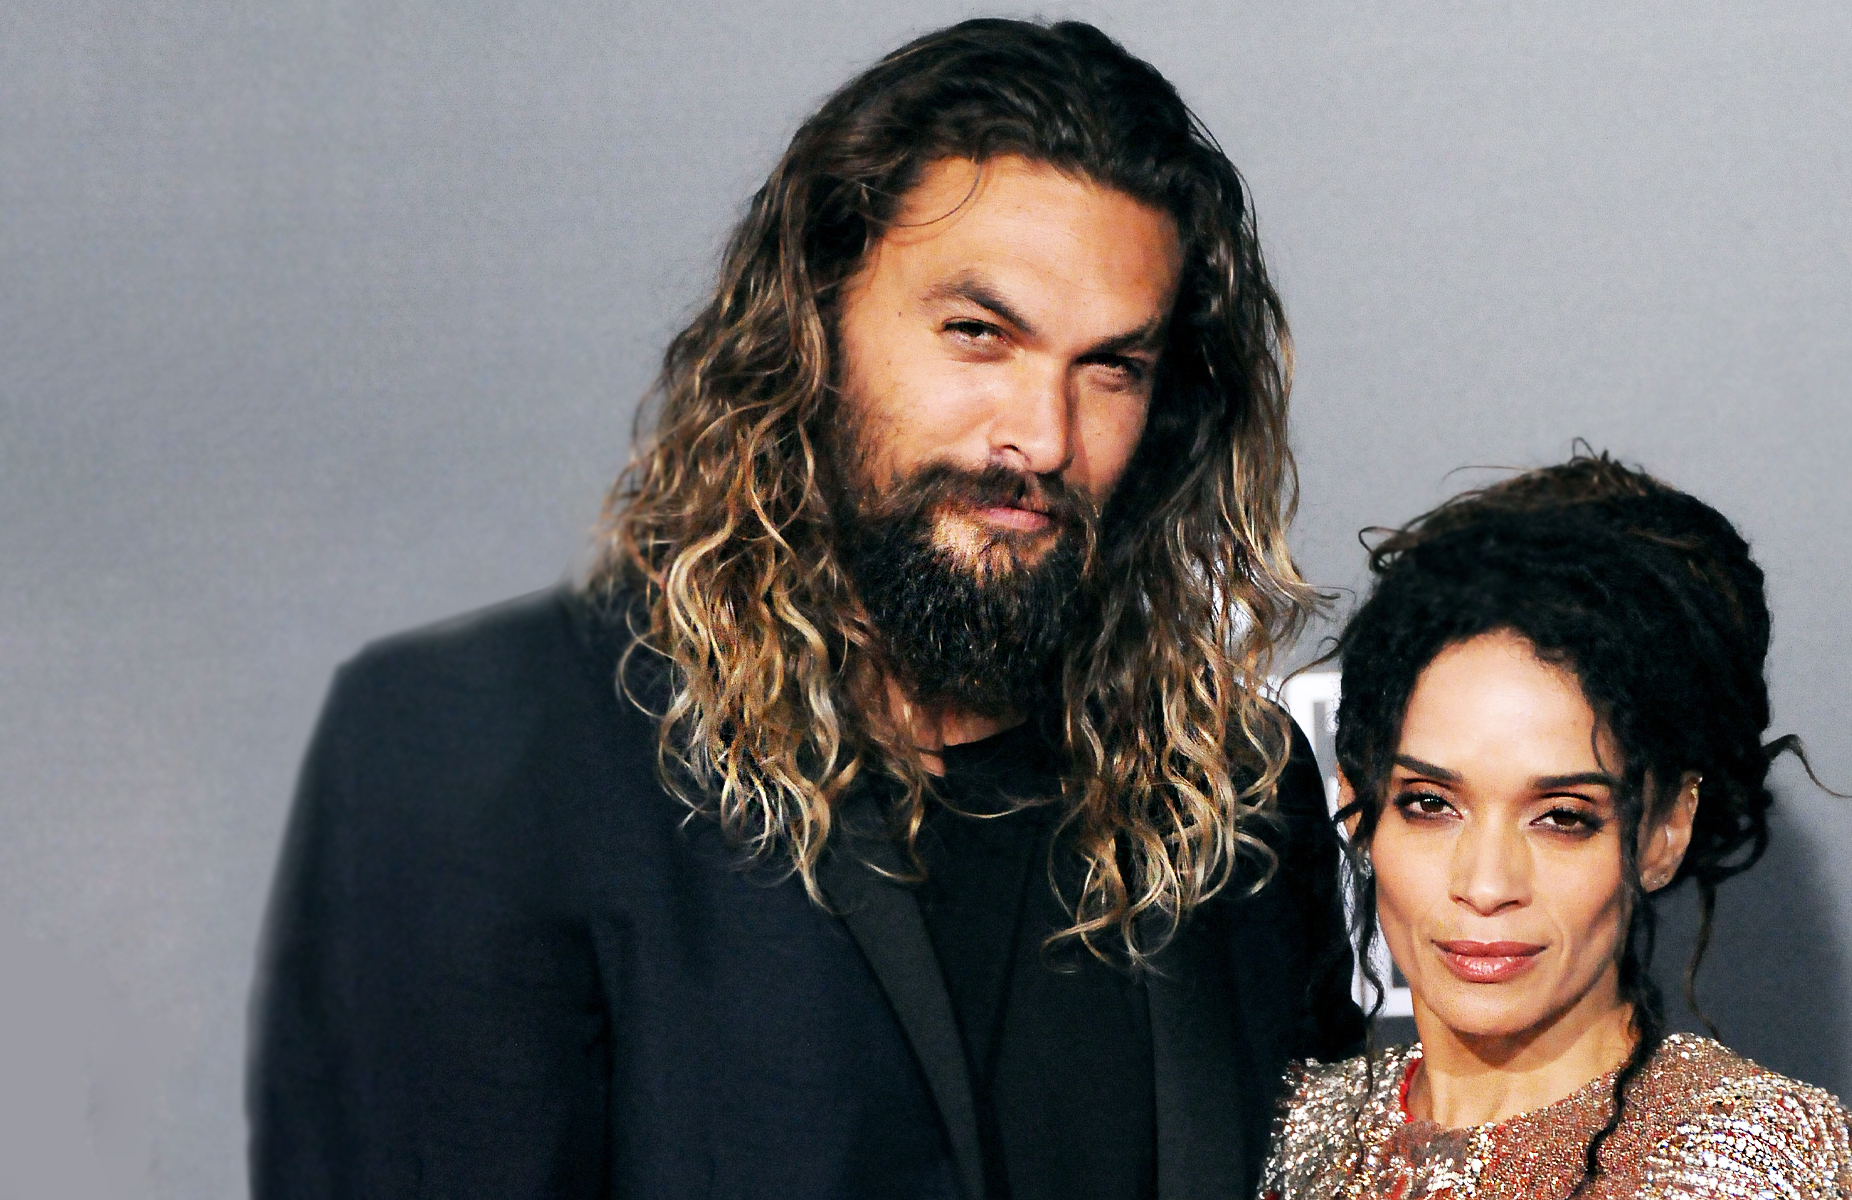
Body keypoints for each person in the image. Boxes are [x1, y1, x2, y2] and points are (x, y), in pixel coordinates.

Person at [249, 19, 1361, 1200]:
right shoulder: (501, 753)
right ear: (813, 322)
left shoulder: (1233, 797)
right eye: (978, 335)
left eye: (1112, 367)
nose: (1043, 436)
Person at [1259, 453, 1852, 1199]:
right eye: (1431, 804)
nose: (1486, 884)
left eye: (1562, 818)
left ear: (1665, 829)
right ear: (1358, 806)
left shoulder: (1743, 1163)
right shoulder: (1291, 1135)